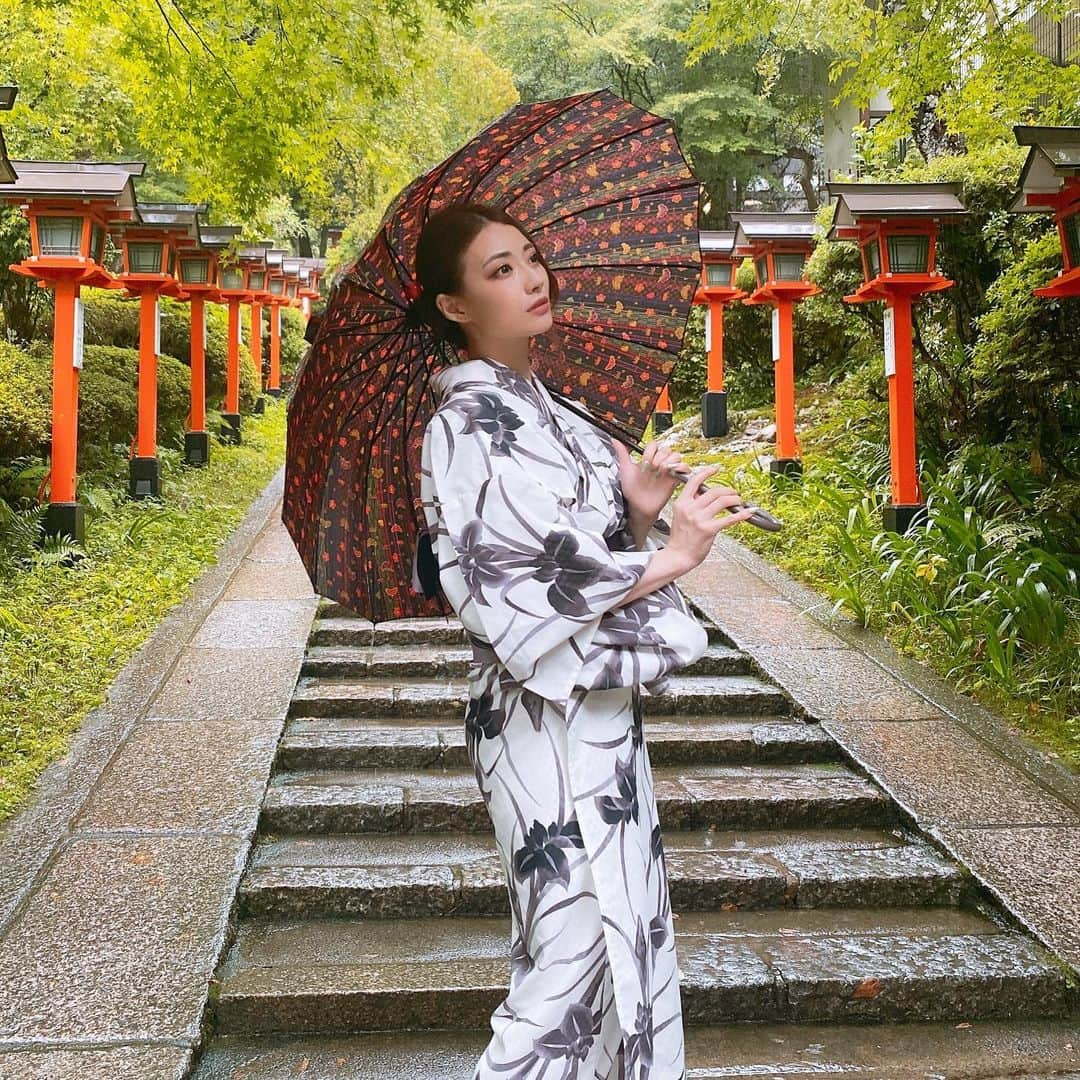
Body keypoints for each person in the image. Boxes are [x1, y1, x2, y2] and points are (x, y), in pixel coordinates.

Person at [409, 202, 756, 1080]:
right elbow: (521, 587)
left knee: (619, 945)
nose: (531, 278)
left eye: (530, 259)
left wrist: (636, 511)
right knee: (568, 956)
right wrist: (674, 554)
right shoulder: (464, 422)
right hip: (536, 715)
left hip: (598, 713)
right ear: (454, 306)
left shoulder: (546, 406)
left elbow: (580, 551)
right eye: (498, 269)